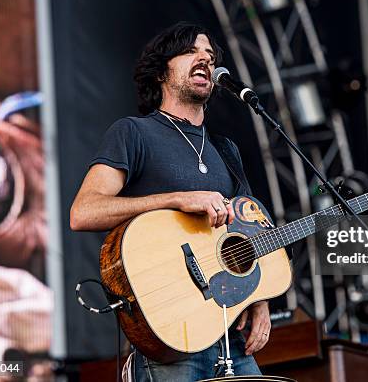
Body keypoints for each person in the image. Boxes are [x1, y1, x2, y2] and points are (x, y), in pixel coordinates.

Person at [69, 22, 270, 381]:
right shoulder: (133, 133)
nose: (205, 60)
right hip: (170, 333)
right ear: (161, 70)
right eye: (191, 51)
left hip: (228, 333)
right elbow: (84, 211)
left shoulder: (226, 149)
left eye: (210, 55)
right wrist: (177, 199)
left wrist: (261, 300)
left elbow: (248, 233)